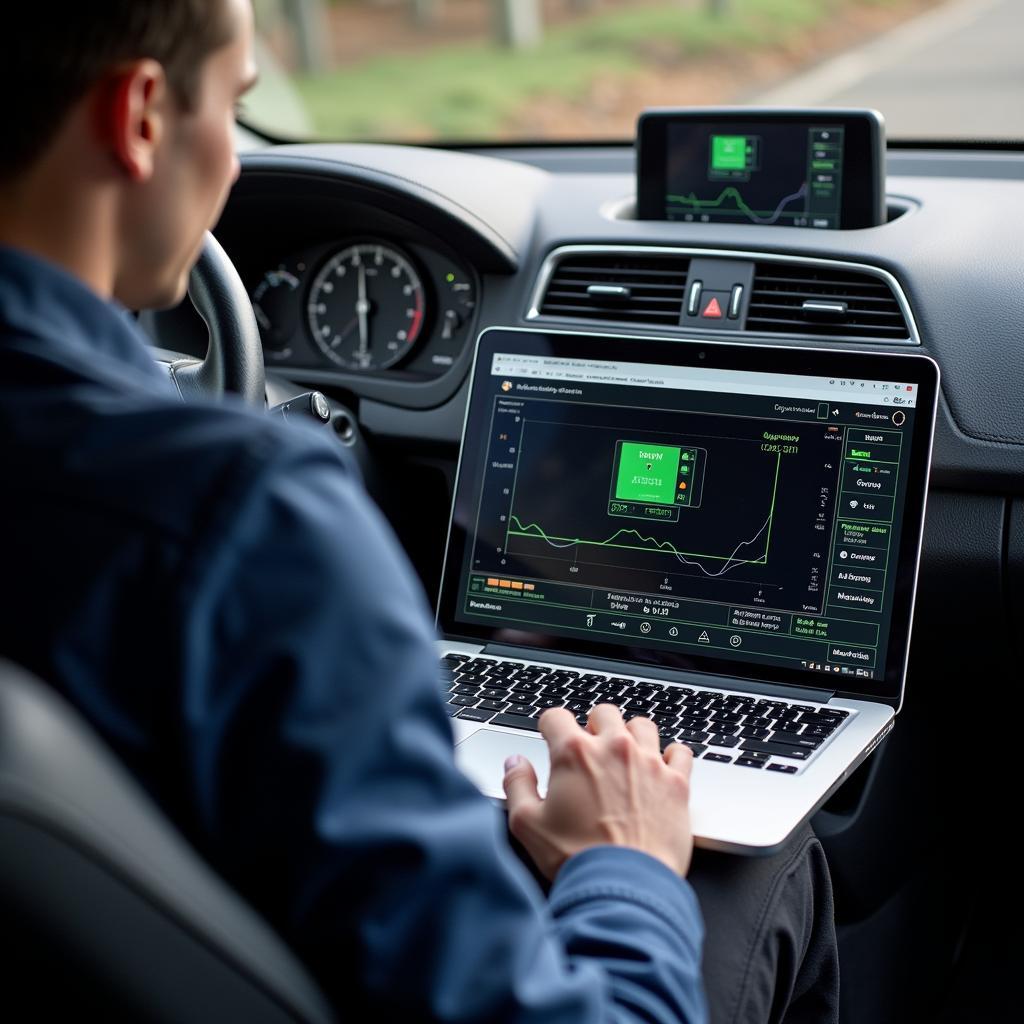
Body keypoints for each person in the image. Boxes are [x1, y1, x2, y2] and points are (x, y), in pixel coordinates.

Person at [0, 2, 838, 1021]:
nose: (228, 160)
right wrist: (623, 866)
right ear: (138, 118)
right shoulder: (239, 513)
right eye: (235, 104)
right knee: (760, 852)